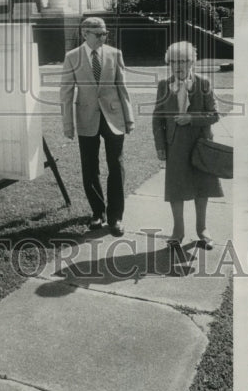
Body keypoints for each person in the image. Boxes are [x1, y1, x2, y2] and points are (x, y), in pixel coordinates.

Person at [60, 16, 135, 236]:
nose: (103, 37)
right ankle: (97, 212)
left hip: (114, 117)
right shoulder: (72, 57)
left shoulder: (115, 54)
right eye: (98, 34)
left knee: (116, 165)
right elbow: (65, 93)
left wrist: (129, 118)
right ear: (85, 34)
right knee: (90, 168)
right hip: (86, 119)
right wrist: (67, 125)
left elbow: (123, 88)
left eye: (105, 33)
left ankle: (115, 217)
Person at [151, 41, 222, 249]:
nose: (178, 65)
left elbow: (215, 115)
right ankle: (178, 231)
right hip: (175, 145)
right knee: (176, 188)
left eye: (182, 61)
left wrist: (191, 117)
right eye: (173, 61)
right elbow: (157, 118)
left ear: (192, 62)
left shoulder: (203, 83)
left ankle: (202, 230)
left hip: (200, 143)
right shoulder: (164, 85)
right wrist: (160, 146)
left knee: (202, 188)